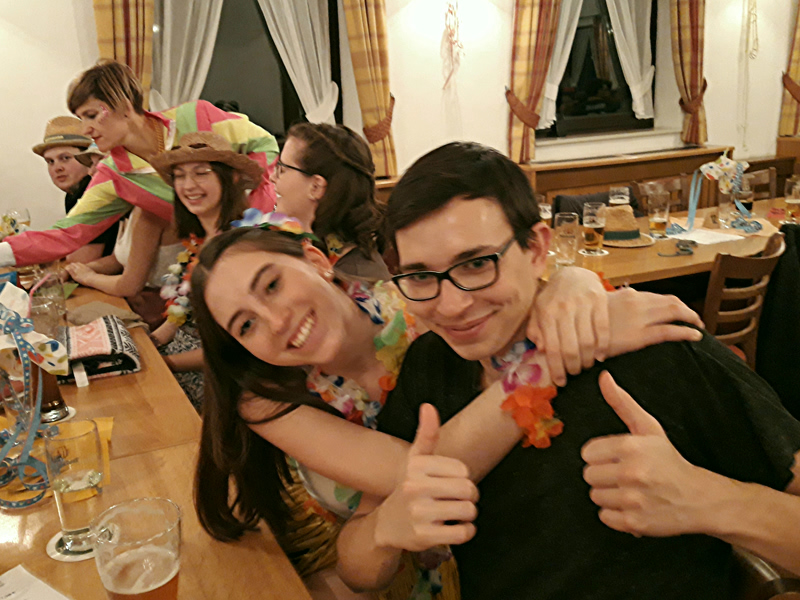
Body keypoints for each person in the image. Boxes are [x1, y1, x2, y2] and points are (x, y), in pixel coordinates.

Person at [336, 142, 800, 599]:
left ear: (537, 249)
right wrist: (387, 528)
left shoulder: (654, 346)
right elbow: (358, 572)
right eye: (421, 276)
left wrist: (706, 500)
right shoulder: (431, 364)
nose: (452, 305)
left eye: (477, 264)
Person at [189, 218, 703, 597]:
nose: (276, 321)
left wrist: (573, 283)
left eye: (273, 285)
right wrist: (548, 359)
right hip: (353, 574)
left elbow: (512, 283)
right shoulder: (264, 397)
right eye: (246, 325)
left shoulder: (426, 303)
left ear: (317, 260)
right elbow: (419, 473)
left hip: (508, 546)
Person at [0, 59, 278, 268]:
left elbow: (264, 144)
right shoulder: (114, 176)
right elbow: (66, 234)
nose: (85, 129)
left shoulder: (196, 117)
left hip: (267, 236)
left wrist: (252, 214)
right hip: (215, 260)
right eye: (81, 118)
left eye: (92, 115)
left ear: (122, 105)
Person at [143, 131, 264, 410]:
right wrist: (149, 344)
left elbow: (237, 349)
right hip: (177, 365)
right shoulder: (200, 240)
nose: (189, 185)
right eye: (180, 176)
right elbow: (179, 315)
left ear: (231, 178)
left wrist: (165, 364)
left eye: (201, 173)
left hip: (218, 380)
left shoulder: (239, 247)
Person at [271, 123, 389, 279]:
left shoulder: (356, 279)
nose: (272, 177)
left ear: (316, 187)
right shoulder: (312, 250)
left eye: (282, 169)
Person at [32, 116, 118, 263]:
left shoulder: (91, 191)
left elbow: (80, 260)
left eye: (65, 158)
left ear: (88, 160)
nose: (57, 168)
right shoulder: (73, 194)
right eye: (50, 161)